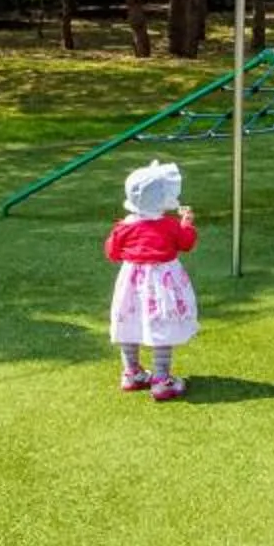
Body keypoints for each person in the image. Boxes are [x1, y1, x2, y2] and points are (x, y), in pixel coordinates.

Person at [107, 158, 199, 401]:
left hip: (131, 285)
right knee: (162, 325)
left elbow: (112, 253)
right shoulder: (169, 225)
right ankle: (161, 379)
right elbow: (186, 243)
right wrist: (187, 224)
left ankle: (132, 373)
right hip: (162, 285)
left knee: (129, 322)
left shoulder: (125, 226)